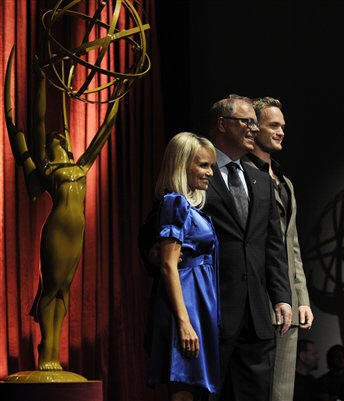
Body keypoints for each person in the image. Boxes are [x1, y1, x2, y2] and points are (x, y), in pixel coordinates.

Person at [4, 49, 121, 371]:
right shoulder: (45, 168)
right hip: (57, 229)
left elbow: (105, 129)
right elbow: (38, 121)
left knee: (64, 292)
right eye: (53, 137)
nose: (58, 136)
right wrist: (40, 78)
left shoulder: (81, 165)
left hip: (77, 233)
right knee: (51, 288)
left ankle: (53, 347)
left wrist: (117, 93)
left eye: (61, 136)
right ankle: (47, 353)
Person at [204, 95, 292, 401]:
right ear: (222, 124)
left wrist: (281, 297)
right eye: (247, 122)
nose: (254, 129)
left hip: (256, 318)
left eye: (256, 123)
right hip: (212, 311)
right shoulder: (198, 171)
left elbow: (274, 246)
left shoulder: (261, 181)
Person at [245, 96, 313, 401]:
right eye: (273, 125)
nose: (281, 131)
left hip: (289, 303)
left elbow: (292, 245)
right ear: (255, 128)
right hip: (258, 300)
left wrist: (302, 298)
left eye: (282, 126)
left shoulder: (285, 183)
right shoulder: (243, 176)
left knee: (283, 392)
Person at [146, 132, 219, 400]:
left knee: (196, 389)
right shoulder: (174, 203)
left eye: (211, 166)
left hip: (200, 302)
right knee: (184, 387)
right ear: (182, 165)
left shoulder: (191, 207)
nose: (210, 173)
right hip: (186, 304)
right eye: (203, 165)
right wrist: (184, 322)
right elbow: (168, 265)